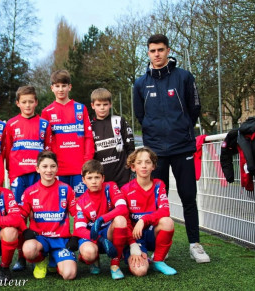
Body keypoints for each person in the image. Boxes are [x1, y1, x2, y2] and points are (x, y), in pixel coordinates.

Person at [133, 34, 210, 263]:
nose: (156, 54)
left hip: (182, 147)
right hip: (155, 152)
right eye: (152, 51)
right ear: (148, 53)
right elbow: (140, 115)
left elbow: (194, 107)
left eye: (160, 50)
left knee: (188, 196)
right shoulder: (140, 83)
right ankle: (159, 249)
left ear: (168, 51)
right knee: (157, 200)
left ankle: (195, 244)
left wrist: (183, 126)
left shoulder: (184, 77)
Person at [3, 85, 51, 272]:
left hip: (37, 176)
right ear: (18, 103)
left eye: (31, 101)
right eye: (24, 102)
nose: (28, 105)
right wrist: (10, 173)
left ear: (36, 102)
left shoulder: (44, 124)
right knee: (18, 216)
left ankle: (40, 254)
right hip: (18, 177)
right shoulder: (11, 124)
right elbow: (7, 149)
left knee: (38, 215)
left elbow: (48, 150)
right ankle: (21, 256)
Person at [19, 151, 77, 280]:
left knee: (69, 274)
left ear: (57, 168)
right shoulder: (30, 192)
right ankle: (42, 259)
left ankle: (54, 262)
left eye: (52, 166)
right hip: (40, 239)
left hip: (61, 240)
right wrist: (25, 230)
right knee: (28, 249)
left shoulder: (66, 189)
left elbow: (78, 215)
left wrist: (76, 236)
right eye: (44, 166)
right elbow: (20, 216)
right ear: (37, 169)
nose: (49, 170)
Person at [120, 147, 177, 276]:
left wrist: (143, 220)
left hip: (151, 233)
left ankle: (158, 261)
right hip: (135, 237)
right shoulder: (125, 190)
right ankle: (132, 254)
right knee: (140, 271)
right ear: (133, 167)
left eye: (148, 162)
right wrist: (132, 243)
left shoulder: (159, 185)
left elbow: (165, 211)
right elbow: (124, 221)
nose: (144, 166)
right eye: (139, 163)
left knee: (167, 222)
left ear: (153, 166)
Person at [73, 159, 133, 280]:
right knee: (89, 253)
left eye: (97, 177)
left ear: (103, 178)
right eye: (89, 178)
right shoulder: (80, 201)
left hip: (109, 231)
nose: (94, 181)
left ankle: (115, 265)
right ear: (84, 180)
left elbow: (122, 208)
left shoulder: (110, 186)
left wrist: (101, 219)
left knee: (121, 220)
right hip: (93, 236)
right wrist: (99, 239)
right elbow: (78, 229)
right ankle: (93, 259)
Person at [41, 70, 95, 198]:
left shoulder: (81, 108)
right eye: (57, 86)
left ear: (69, 87)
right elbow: (46, 143)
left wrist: (87, 162)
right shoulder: (47, 112)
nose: (61, 89)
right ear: (52, 88)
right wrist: (50, 164)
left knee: (81, 206)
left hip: (79, 168)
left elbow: (88, 137)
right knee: (60, 206)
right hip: (58, 169)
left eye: (64, 86)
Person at [90, 88, 135, 188]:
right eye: (98, 105)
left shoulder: (120, 121)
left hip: (123, 176)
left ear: (110, 104)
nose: (102, 108)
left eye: (105, 104)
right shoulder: (89, 126)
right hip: (101, 178)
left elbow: (130, 148)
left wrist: (131, 168)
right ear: (92, 105)